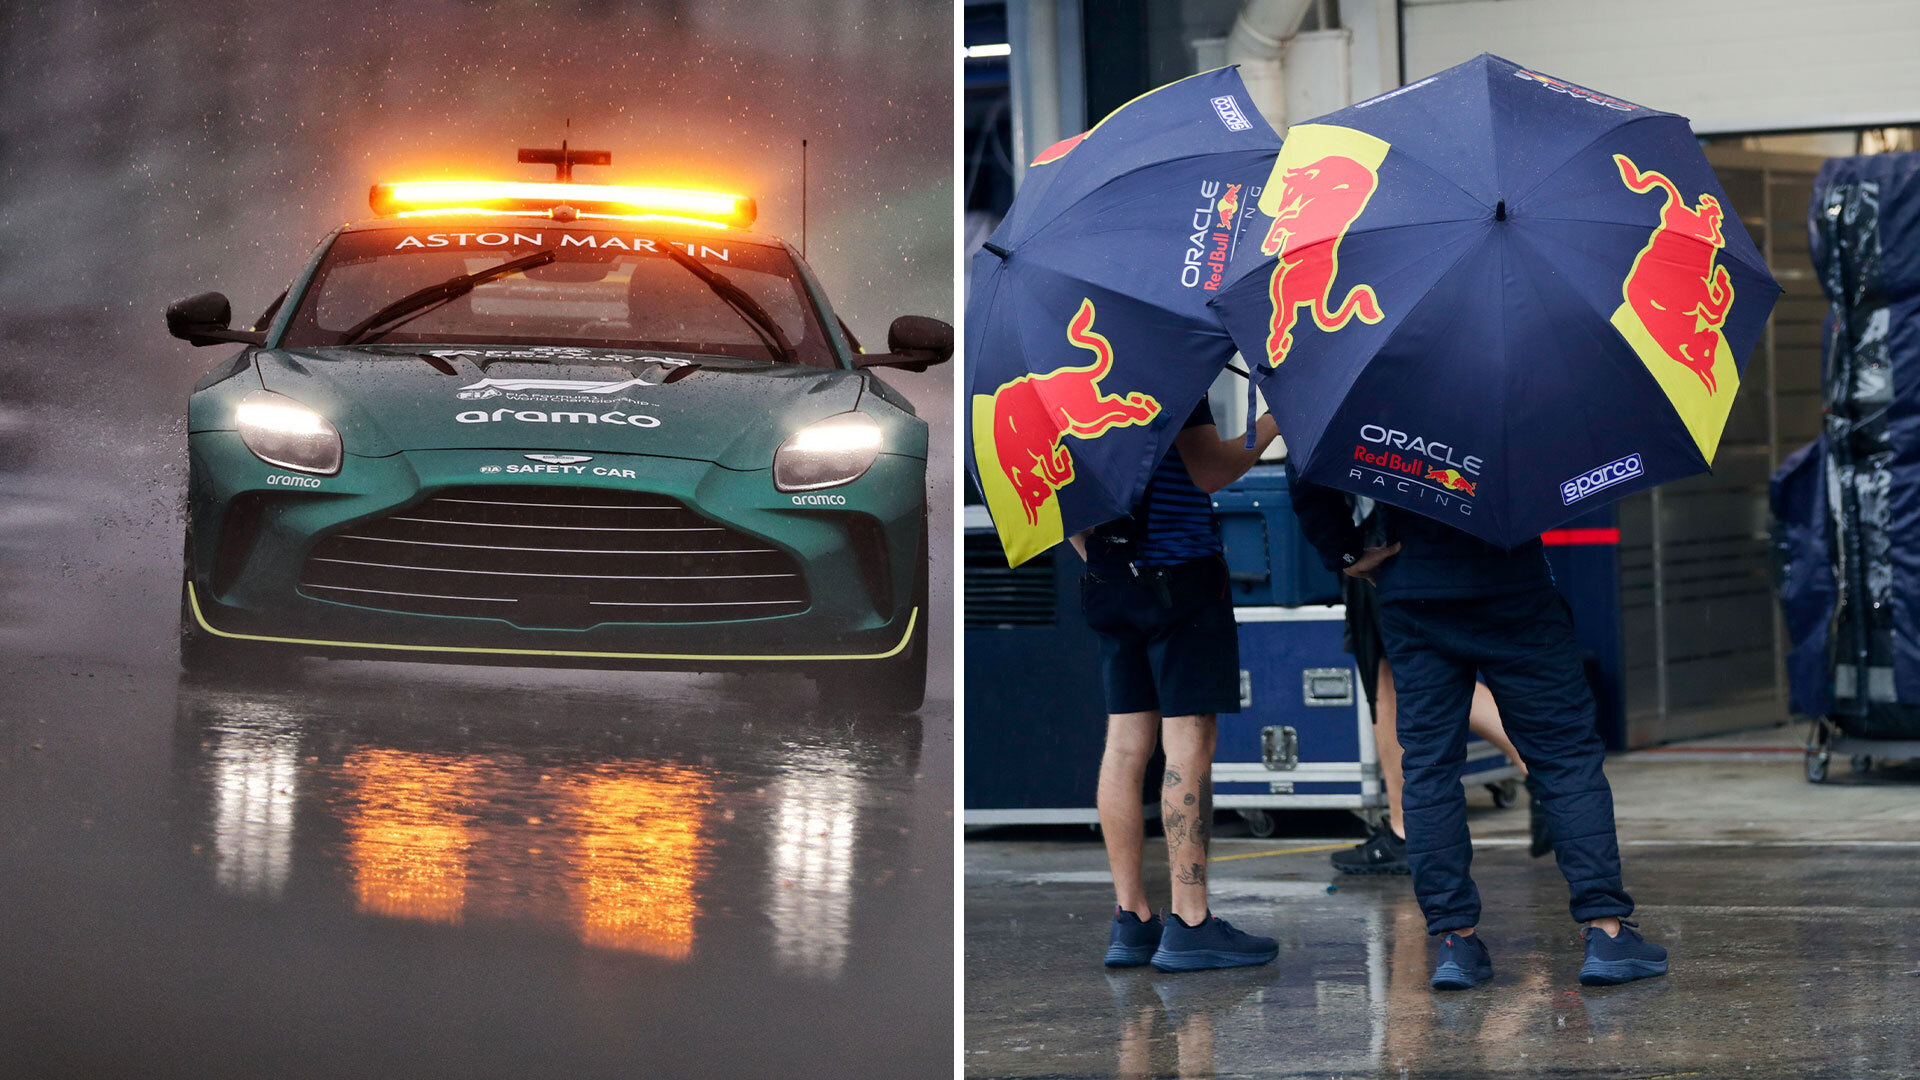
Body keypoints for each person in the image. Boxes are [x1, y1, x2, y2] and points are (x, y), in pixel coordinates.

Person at [1288, 475, 1668, 989]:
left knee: (1428, 765)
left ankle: (1454, 943)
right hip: (1512, 577)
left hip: (1412, 579)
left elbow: (1306, 470)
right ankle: (1606, 931)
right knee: (1564, 756)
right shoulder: (1521, 390)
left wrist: (1344, 550)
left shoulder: (1367, 393)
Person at [1076, 400, 1281, 972]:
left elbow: (1052, 493)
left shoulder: (1056, 373)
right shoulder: (1164, 363)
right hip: (1182, 577)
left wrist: (1100, 557)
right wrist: (1279, 416)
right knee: (1187, 745)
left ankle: (1132, 920)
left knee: (1124, 747)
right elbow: (1210, 469)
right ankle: (1191, 923)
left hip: (1106, 576)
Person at [1331, 501, 1549, 876]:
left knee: (1389, 676)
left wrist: (1340, 548)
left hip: (1380, 537)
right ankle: (1545, 765)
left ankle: (1404, 828)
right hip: (1438, 530)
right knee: (1424, 673)